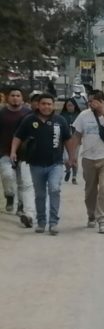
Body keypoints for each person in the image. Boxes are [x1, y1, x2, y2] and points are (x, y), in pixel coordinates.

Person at [10, 93, 74, 235]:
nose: (46, 107)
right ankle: (41, 222)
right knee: (40, 195)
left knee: (54, 189)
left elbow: (68, 140)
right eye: (43, 104)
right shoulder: (29, 120)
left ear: (53, 106)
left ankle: (53, 223)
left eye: (49, 104)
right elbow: (18, 136)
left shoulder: (60, 121)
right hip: (36, 164)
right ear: (38, 105)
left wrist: (71, 158)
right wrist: (13, 152)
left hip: (55, 163)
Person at [71, 90, 104, 234]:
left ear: (101, 101)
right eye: (89, 101)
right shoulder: (83, 115)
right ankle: (91, 215)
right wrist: (73, 155)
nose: (90, 104)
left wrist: (103, 112)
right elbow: (77, 135)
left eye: (93, 101)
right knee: (90, 191)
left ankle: (103, 220)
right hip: (88, 158)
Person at [0, 87, 36, 227]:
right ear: (8, 98)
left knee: (23, 182)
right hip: (4, 152)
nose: (15, 98)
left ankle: (21, 205)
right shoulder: (2, 114)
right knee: (8, 175)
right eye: (12, 95)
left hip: (24, 154)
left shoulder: (28, 114)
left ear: (22, 98)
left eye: (18, 95)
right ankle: (9, 196)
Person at [60, 98, 81, 184]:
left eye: (71, 105)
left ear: (75, 106)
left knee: (75, 158)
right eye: (68, 105)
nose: (70, 107)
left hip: (75, 139)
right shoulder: (62, 116)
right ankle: (68, 170)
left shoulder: (79, 115)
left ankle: (74, 177)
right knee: (65, 159)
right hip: (65, 140)